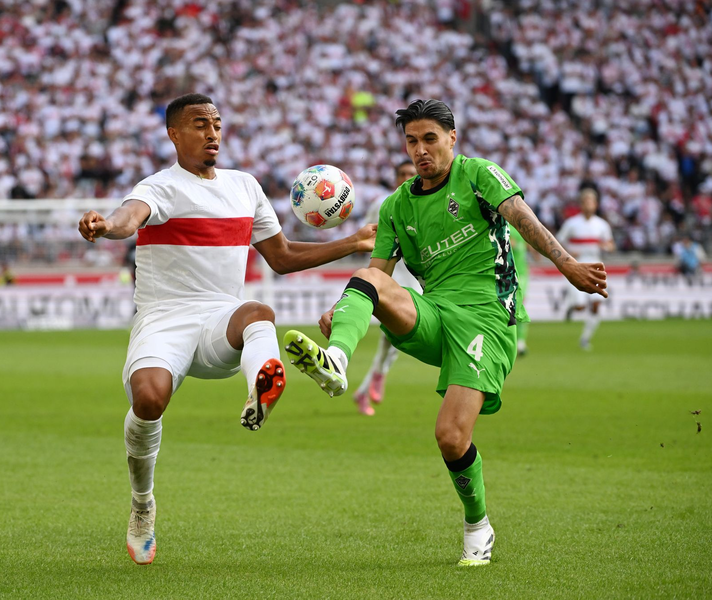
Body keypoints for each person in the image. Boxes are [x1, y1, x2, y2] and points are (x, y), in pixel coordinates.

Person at [282, 99, 607, 566]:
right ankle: (336, 360)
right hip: (435, 313)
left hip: (487, 320)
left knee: (451, 437)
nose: (420, 150)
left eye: (429, 139)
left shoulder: (478, 175)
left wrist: (567, 263)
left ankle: (478, 524)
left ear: (452, 138)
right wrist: (344, 307)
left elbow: (521, 218)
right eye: (411, 141)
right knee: (371, 283)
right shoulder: (396, 206)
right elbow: (378, 272)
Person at [78, 93, 376, 566]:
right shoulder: (158, 186)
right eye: (200, 125)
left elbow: (281, 257)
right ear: (174, 134)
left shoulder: (245, 187)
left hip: (219, 318)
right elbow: (127, 219)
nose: (212, 133)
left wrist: (353, 243)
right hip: (164, 318)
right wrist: (105, 224)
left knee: (257, 310)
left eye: (216, 123)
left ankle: (263, 383)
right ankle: (142, 505)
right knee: (149, 400)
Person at [353, 160, 421, 415]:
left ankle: (365, 389)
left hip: (414, 279)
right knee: (392, 333)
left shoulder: (427, 204)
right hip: (389, 276)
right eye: (402, 174)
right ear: (395, 179)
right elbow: (367, 236)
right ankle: (376, 377)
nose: (406, 178)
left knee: (399, 337)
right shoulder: (383, 205)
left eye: (410, 174)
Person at [557, 188, 615, 350]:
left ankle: (585, 339)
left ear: (596, 205)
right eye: (586, 202)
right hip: (576, 266)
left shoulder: (602, 225)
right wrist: (568, 251)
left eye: (592, 202)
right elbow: (558, 241)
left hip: (596, 266)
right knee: (581, 306)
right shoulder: (572, 223)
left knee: (596, 305)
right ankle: (571, 307)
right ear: (581, 204)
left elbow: (611, 244)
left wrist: (606, 246)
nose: (589, 205)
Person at [509, 227, 531, 356]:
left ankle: (521, 342)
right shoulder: (507, 226)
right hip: (511, 274)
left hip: (522, 273)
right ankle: (516, 342)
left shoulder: (519, 227)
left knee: (519, 307)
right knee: (513, 309)